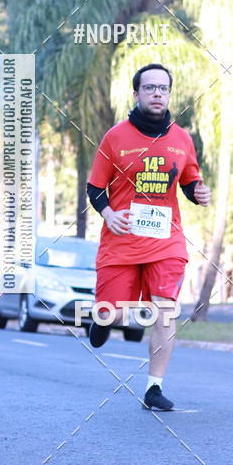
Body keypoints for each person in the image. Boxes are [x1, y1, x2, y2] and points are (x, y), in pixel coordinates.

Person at [86, 63, 211, 411]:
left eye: (164, 88)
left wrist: (198, 193)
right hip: (121, 241)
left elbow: (189, 181)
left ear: (169, 94)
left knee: (166, 311)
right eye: (150, 88)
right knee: (113, 313)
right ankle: (102, 318)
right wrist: (109, 213)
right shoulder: (116, 137)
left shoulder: (182, 139)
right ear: (137, 93)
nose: (158, 93)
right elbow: (95, 187)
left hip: (166, 242)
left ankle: (154, 387)